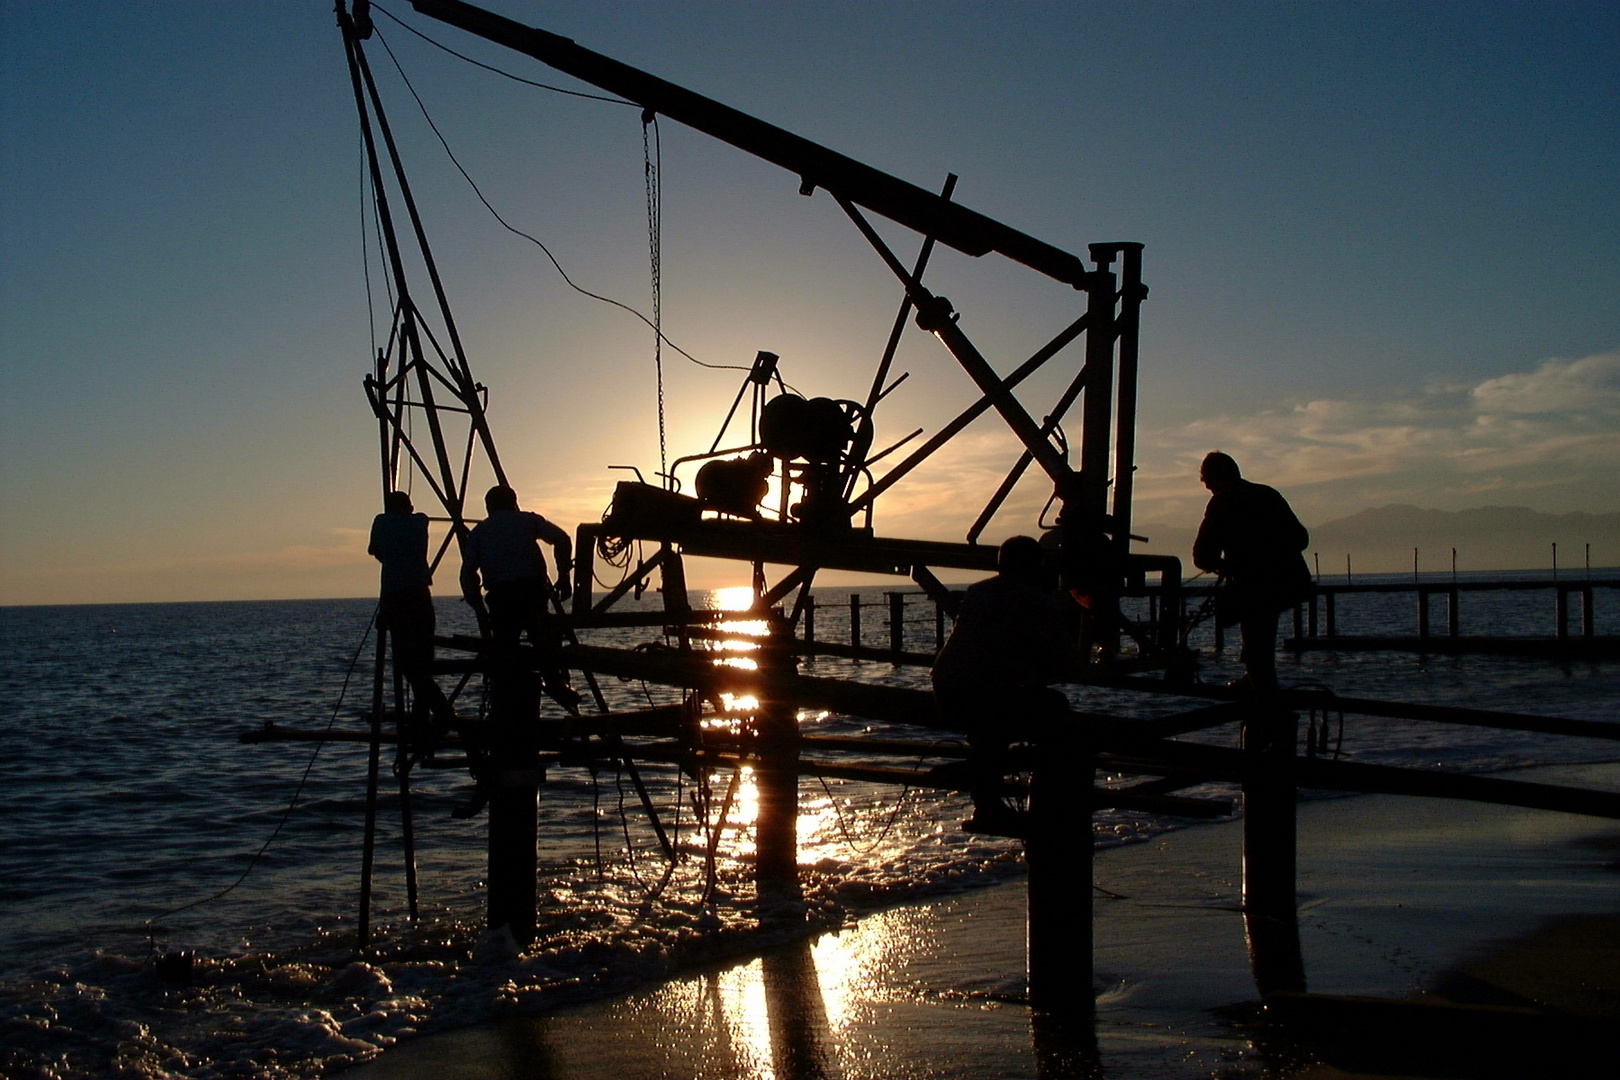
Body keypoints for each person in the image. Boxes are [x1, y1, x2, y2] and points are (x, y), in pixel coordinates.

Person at [931, 535, 1074, 834]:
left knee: (990, 727)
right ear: (1035, 565)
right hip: (980, 692)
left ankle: (989, 799)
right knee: (1053, 708)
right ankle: (1046, 799)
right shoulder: (1032, 599)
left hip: (947, 687)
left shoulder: (979, 591)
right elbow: (1050, 655)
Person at [1191, 452, 1312, 693]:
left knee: (1257, 639)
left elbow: (1202, 554)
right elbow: (1301, 538)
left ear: (1213, 478)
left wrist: (1231, 564)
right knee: (1261, 637)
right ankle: (1257, 680)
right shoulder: (1267, 494)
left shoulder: (1222, 501)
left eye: (1206, 480)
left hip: (1256, 586)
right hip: (1289, 582)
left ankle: (1263, 697)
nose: (1206, 486)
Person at [460, 484, 578, 710]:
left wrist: (477, 606)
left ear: (488, 507)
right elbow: (562, 539)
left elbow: (467, 573)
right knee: (545, 643)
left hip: (501, 597)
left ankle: (508, 702)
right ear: (514, 503)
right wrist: (564, 576)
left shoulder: (479, 532)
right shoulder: (528, 521)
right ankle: (555, 684)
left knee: (505, 652)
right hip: (532, 592)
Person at [368, 490, 456, 737]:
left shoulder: (381, 521)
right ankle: (422, 716)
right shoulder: (420, 521)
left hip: (396, 598)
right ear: (409, 506)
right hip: (420, 596)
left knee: (407, 664)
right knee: (423, 662)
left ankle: (440, 710)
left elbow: (376, 551)